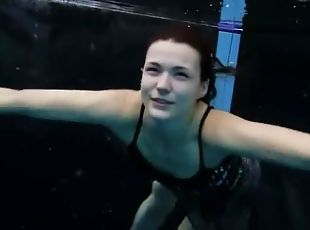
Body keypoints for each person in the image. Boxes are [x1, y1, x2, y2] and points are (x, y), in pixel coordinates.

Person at [0, 23, 309, 229]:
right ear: (141, 74)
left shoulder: (217, 131)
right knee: (160, 199)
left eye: (181, 75)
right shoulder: (121, 110)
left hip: (242, 197)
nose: (162, 86)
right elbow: (19, 99)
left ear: (202, 88)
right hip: (176, 185)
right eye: (154, 70)